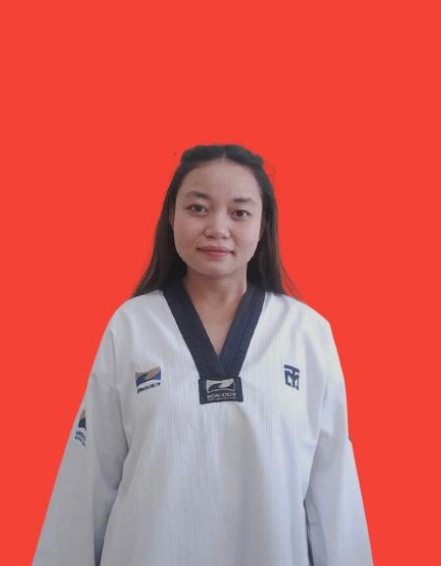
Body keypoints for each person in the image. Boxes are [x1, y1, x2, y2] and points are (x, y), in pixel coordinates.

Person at [32, 144, 373, 566]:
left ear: (263, 225)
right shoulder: (132, 326)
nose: (217, 227)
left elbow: (334, 489)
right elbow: (87, 481)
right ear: (171, 216)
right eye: (198, 208)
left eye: (239, 212)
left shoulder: (306, 334)